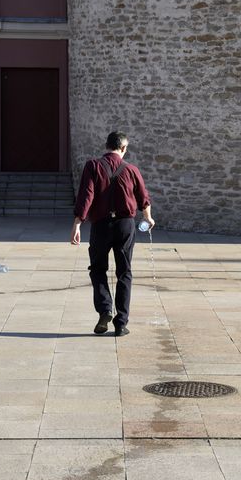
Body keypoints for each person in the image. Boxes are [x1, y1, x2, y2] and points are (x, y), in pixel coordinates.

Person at [71, 132, 155, 336]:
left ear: (106, 146)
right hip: (125, 225)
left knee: (98, 268)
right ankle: (121, 323)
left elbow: (86, 196)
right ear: (124, 148)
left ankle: (105, 309)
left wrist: (77, 223)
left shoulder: (93, 166)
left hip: (100, 225)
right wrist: (148, 218)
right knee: (124, 272)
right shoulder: (131, 169)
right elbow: (143, 197)